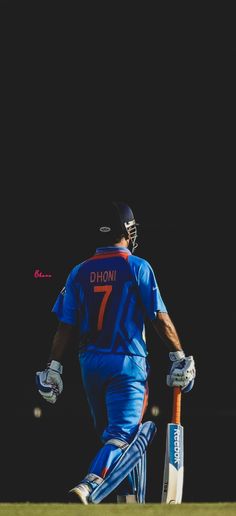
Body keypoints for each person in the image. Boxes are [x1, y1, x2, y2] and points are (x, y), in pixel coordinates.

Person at [36, 201, 196, 505]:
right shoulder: (137, 266)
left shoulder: (79, 271)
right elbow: (159, 317)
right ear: (126, 230)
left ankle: (129, 503)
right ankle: (89, 487)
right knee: (127, 436)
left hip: (90, 365)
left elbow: (65, 327)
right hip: (126, 363)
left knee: (112, 438)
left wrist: (54, 367)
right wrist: (178, 356)